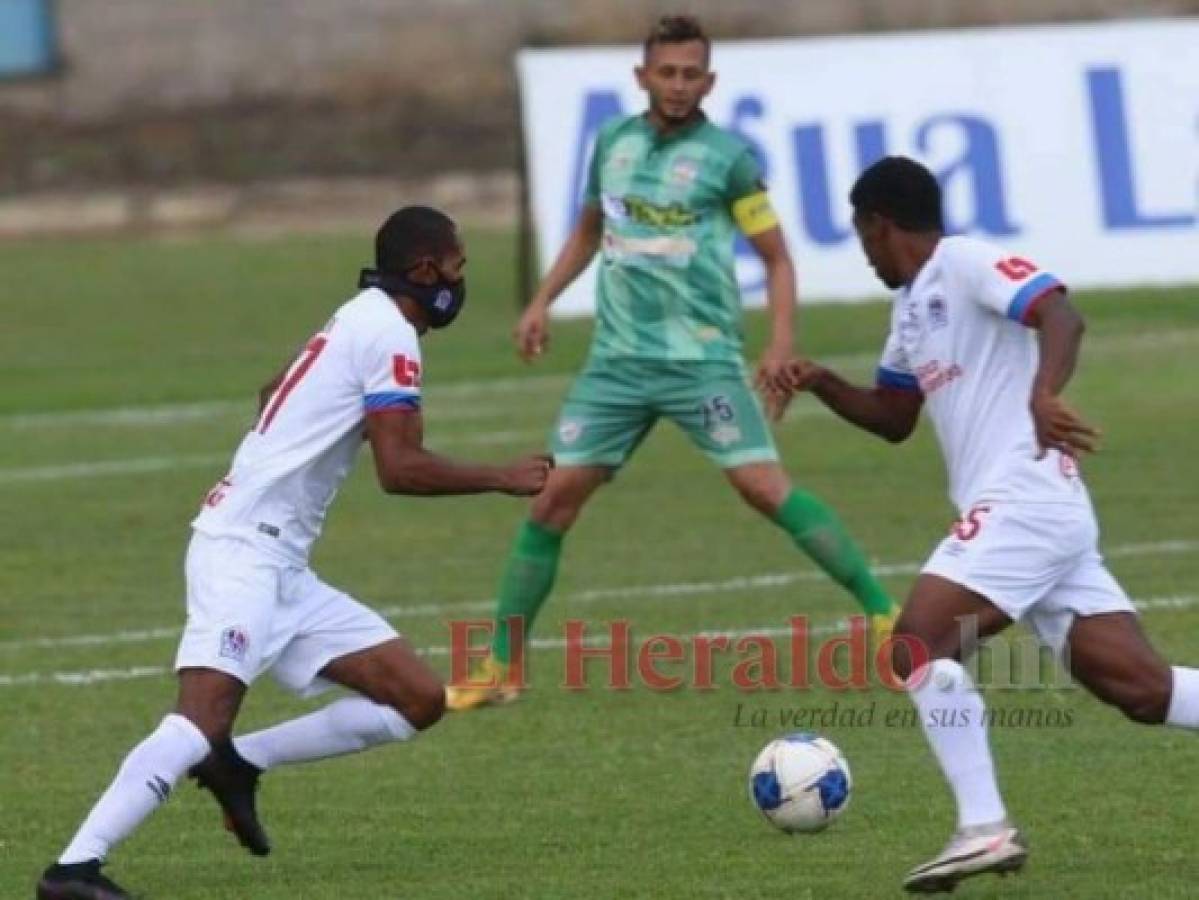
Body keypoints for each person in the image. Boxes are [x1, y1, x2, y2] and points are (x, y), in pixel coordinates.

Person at [36, 206, 552, 900]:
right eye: (458, 270)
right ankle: (74, 870)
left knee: (416, 699)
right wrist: (502, 476)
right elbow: (400, 470)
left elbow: (268, 392)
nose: (460, 284)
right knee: (198, 717)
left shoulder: (356, 314)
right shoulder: (393, 333)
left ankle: (239, 763)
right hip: (242, 555)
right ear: (426, 272)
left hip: (280, 565)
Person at [771, 155, 1199, 893]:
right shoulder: (909, 310)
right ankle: (982, 826)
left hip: (1023, 499)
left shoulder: (964, 262)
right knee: (1139, 689)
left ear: (878, 224)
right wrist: (820, 382)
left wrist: (1042, 392)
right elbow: (892, 418)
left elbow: (1059, 311)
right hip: (1033, 513)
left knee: (914, 646)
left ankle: (983, 827)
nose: (865, 252)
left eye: (862, 236)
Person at [446, 15, 896, 710]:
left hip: (701, 362)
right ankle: (500, 666)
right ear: (642, 76)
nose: (678, 85)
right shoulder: (612, 144)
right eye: (667, 72)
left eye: (691, 74)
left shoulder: (727, 159)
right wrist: (540, 300)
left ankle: (882, 615)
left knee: (764, 489)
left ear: (708, 81)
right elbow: (590, 229)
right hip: (616, 366)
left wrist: (779, 344)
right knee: (548, 503)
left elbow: (776, 258)